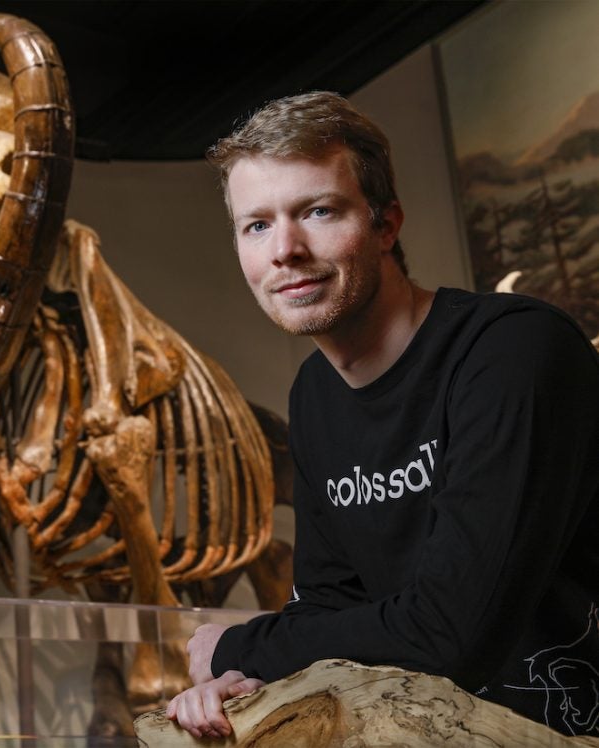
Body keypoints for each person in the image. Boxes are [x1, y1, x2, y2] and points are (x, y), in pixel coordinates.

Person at [165, 91, 599, 739]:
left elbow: (454, 631)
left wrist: (239, 648)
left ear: (386, 224)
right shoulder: (314, 394)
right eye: (256, 225)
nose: (285, 249)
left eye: (318, 211)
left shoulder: (515, 351)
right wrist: (252, 681)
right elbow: (332, 604)